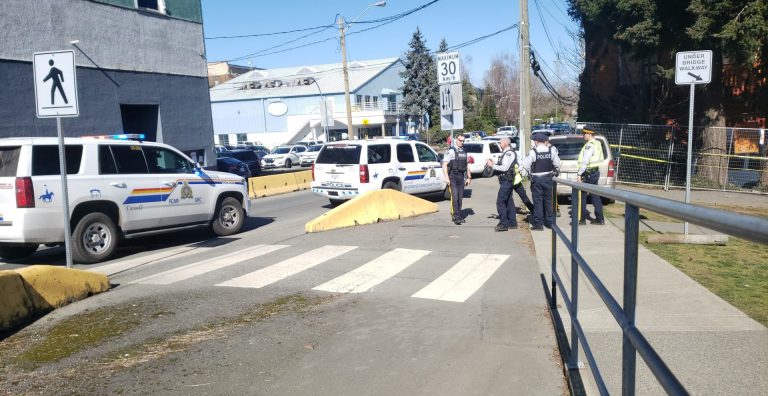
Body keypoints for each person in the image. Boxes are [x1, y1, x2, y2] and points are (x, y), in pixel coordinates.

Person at [522, 133, 561, 231]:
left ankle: (539, 224)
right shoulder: (551, 150)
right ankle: (550, 222)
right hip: (548, 178)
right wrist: (555, 171)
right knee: (548, 201)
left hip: (537, 180)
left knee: (538, 202)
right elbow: (557, 163)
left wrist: (525, 174)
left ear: (536, 141)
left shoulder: (533, 152)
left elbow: (526, 165)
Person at [485, 137, 518, 231]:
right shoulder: (506, 153)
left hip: (507, 180)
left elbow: (505, 168)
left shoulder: (508, 153)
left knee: (500, 202)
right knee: (509, 202)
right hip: (506, 180)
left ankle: (503, 224)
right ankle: (512, 222)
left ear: (505, 143)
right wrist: (495, 163)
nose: (500, 144)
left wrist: (492, 166)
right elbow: (503, 165)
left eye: (500, 142)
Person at [576, 128, 605, 225]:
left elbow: (585, 161)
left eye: (584, 133)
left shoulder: (589, 146)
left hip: (588, 173)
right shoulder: (597, 143)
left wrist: (579, 174)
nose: (583, 135)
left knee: (582, 196)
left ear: (589, 134)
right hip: (595, 172)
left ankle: (582, 219)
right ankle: (600, 219)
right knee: (595, 195)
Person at [442, 135, 471, 225]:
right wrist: (446, 177)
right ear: (456, 140)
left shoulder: (464, 151)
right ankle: (455, 216)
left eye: (463, 141)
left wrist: (469, 177)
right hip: (453, 176)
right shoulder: (451, 151)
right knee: (455, 197)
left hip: (461, 176)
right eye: (460, 140)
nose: (462, 142)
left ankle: (458, 216)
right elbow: (444, 164)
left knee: (460, 197)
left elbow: (467, 165)